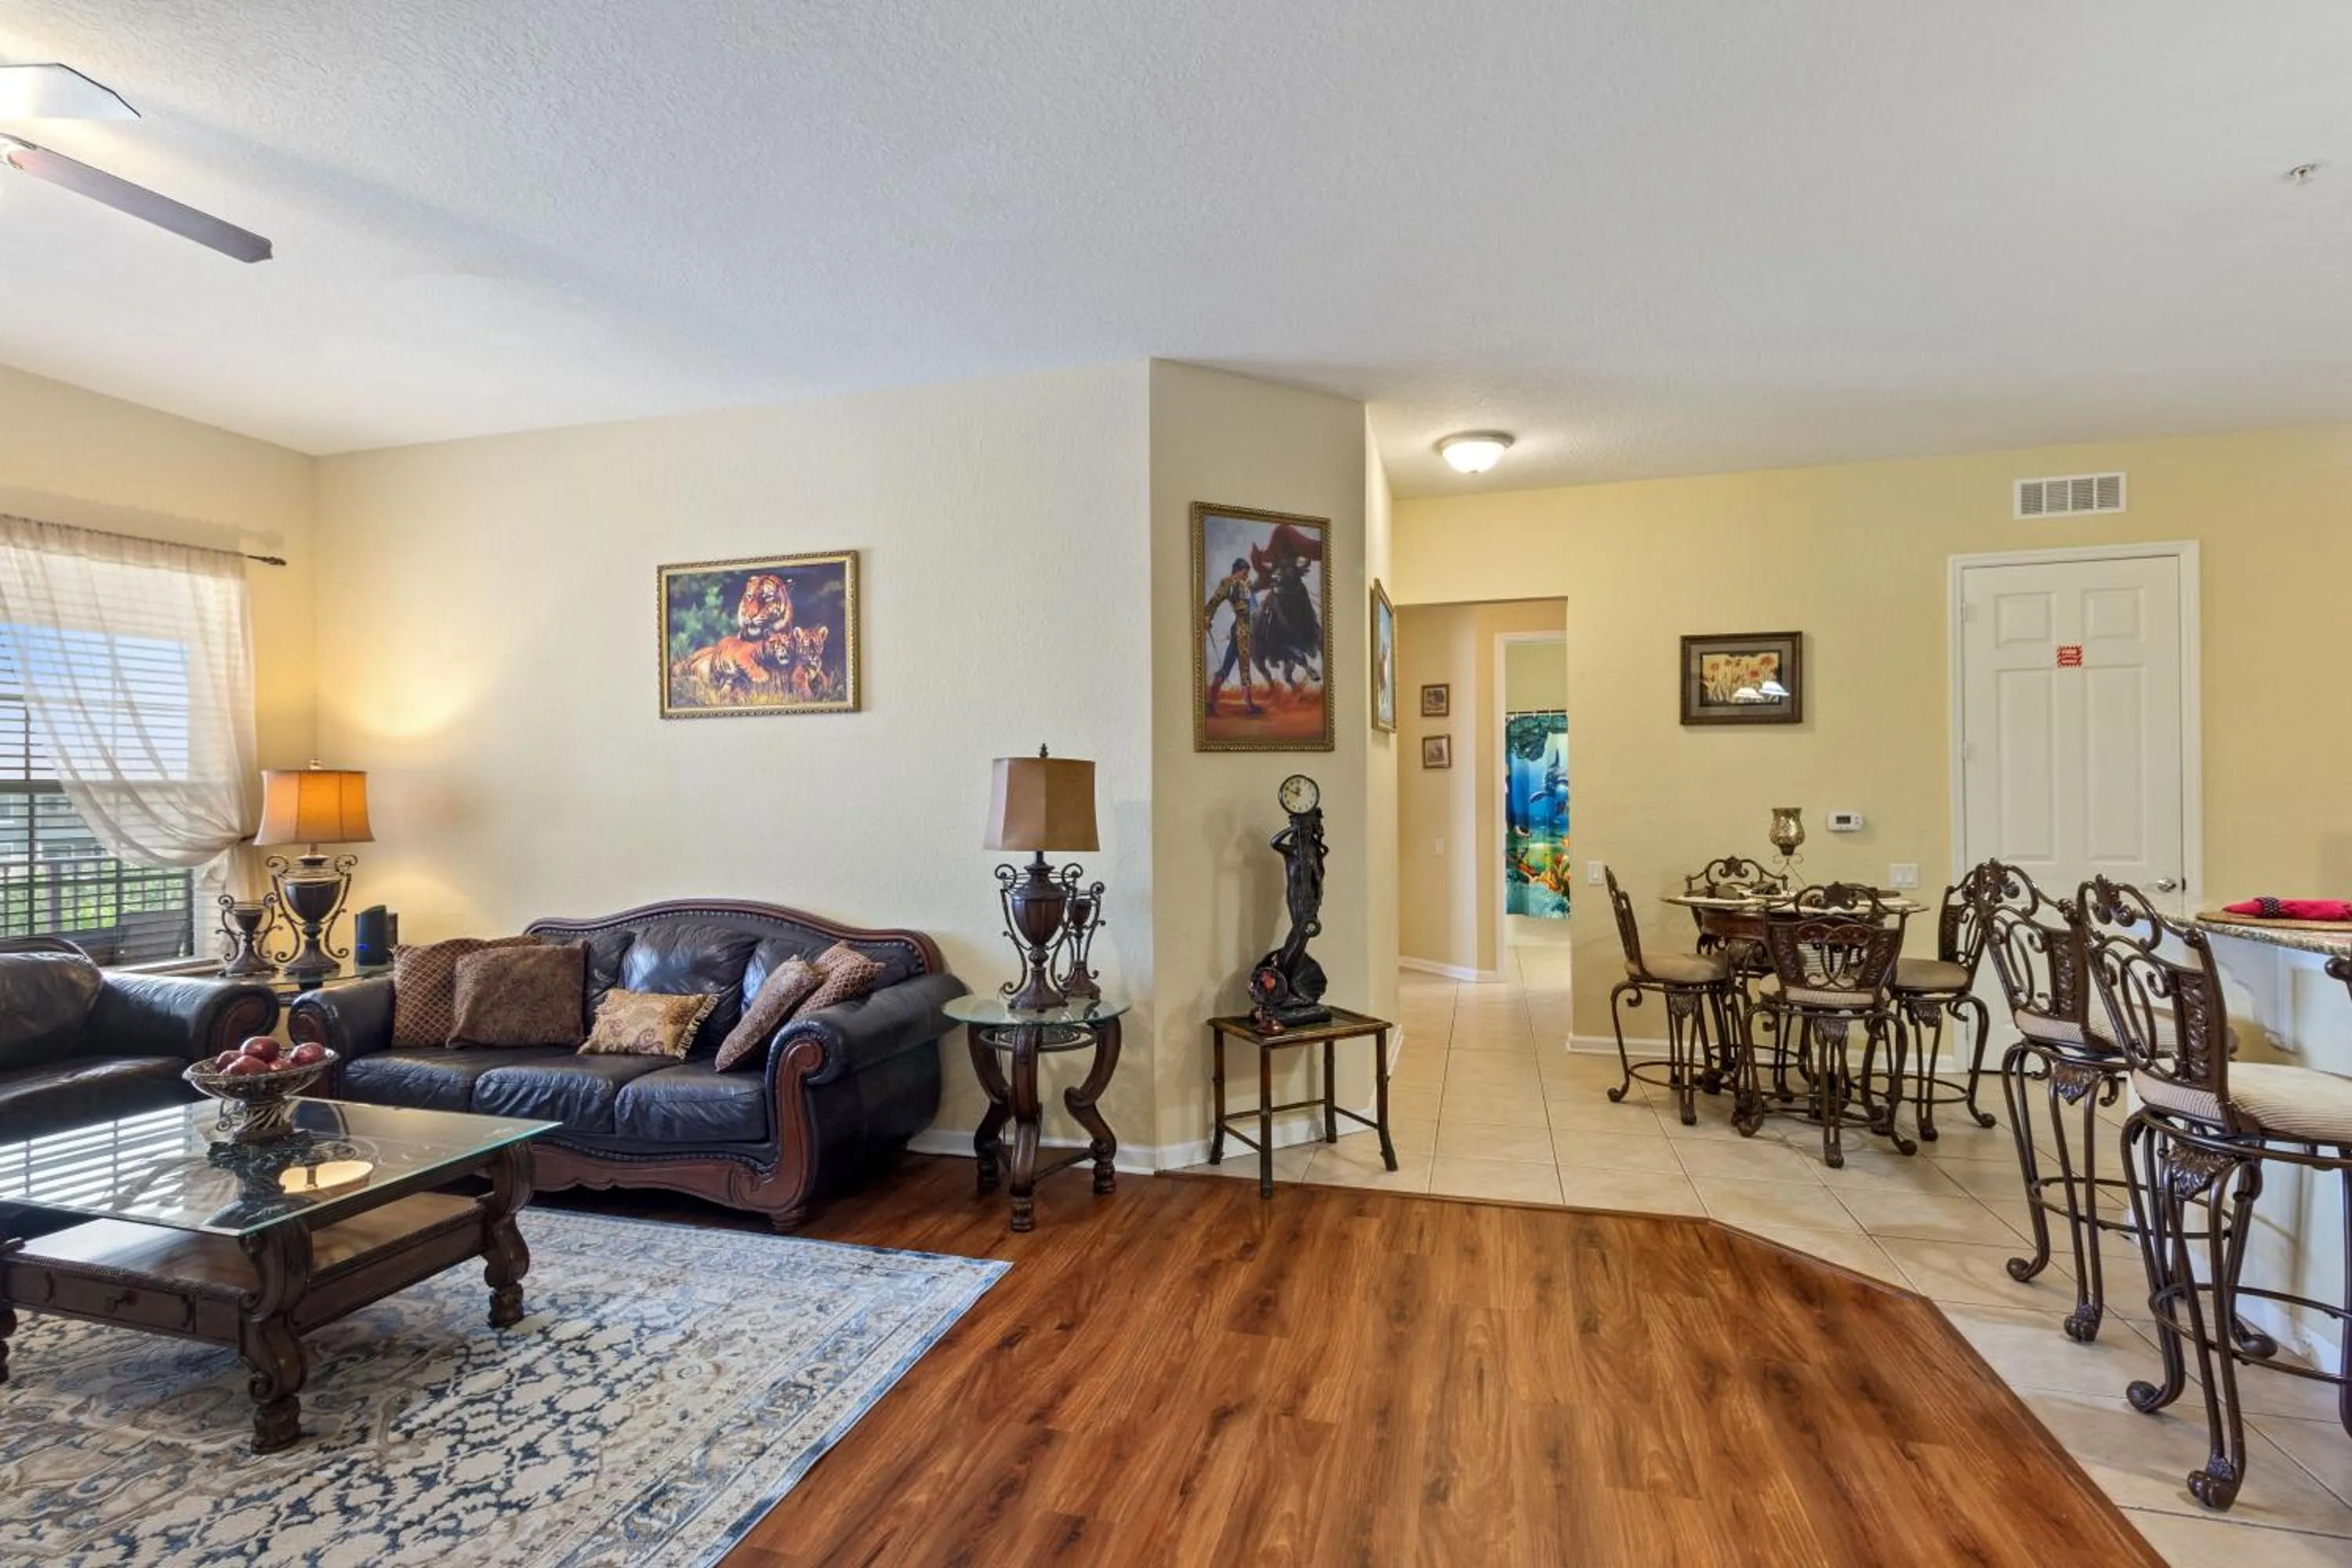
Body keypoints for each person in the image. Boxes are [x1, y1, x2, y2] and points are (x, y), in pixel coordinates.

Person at [1201, 557, 1262, 716]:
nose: (1247, 575)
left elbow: (1254, 606)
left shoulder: (1247, 585)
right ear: (1237, 570)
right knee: (1242, 665)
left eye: (1247, 573)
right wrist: (1207, 617)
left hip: (1247, 630)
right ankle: (1247, 706)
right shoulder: (1228, 583)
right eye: (1244, 572)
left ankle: (1211, 703)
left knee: (1231, 665)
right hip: (1240, 630)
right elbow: (1215, 601)